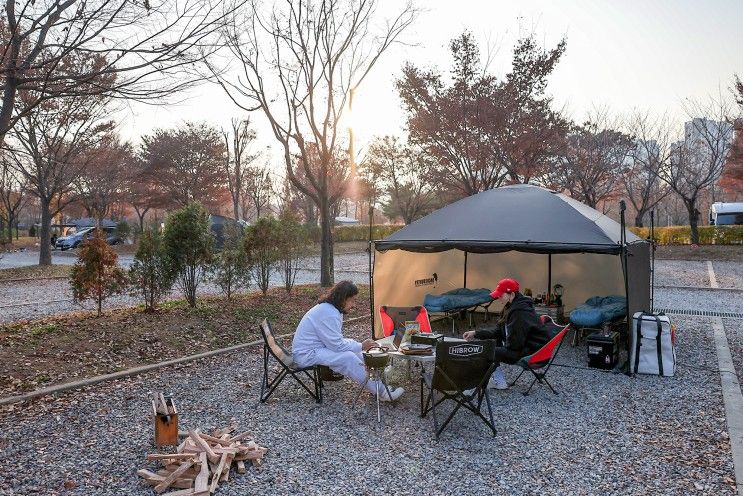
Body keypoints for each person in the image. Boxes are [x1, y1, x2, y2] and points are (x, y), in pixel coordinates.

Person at [292, 280, 405, 402]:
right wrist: (361, 345)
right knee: (348, 358)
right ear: (343, 299)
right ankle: (382, 392)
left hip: (316, 348)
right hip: (306, 354)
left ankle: (378, 381)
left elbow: (335, 341)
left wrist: (359, 347)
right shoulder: (328, 313)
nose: (353, 304)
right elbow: (337, 346)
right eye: (352, 300)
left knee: (357, 353)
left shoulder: (331, 309)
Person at [462, 278, 552, 389]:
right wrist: (475, 333)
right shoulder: (510, 306)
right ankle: (499, 382)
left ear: (512, 294)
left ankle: (473, 386)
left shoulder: (520, 312)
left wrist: (498, 347)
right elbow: (498, 331)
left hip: (532, 352)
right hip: (523, 346)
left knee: (488, 350)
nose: (498, 297)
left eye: (500, 295)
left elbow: (515, 345)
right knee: (492, 343)